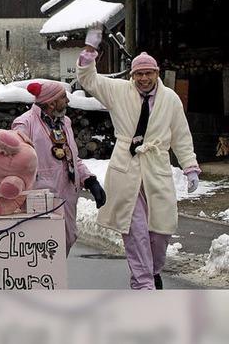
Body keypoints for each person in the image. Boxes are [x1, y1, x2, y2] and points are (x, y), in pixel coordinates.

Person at [76, 25, 201, 289]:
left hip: (156, 167)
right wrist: (89, 51)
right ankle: (143, 283)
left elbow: (180, 134)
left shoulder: (171, 99)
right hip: (127, 167)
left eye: (148, 73)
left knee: (160, 232)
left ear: (156, 73)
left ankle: (153, 270)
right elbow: (90, 81)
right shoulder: (119, 91)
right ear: (132, 75)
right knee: (135, 232)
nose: (143, 78)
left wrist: (189, 166)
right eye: (139, 74)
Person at [11, 81, 106, 255]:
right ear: (51, 102)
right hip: (40, 196)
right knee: (42, 248)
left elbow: (71, 156)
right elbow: (16, 161)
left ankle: (54, 282)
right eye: (63, 97)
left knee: (67, 240)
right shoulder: (25, 123)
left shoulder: (65, 122)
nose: (68, 101)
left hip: (68, 194)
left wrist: (90, 180)